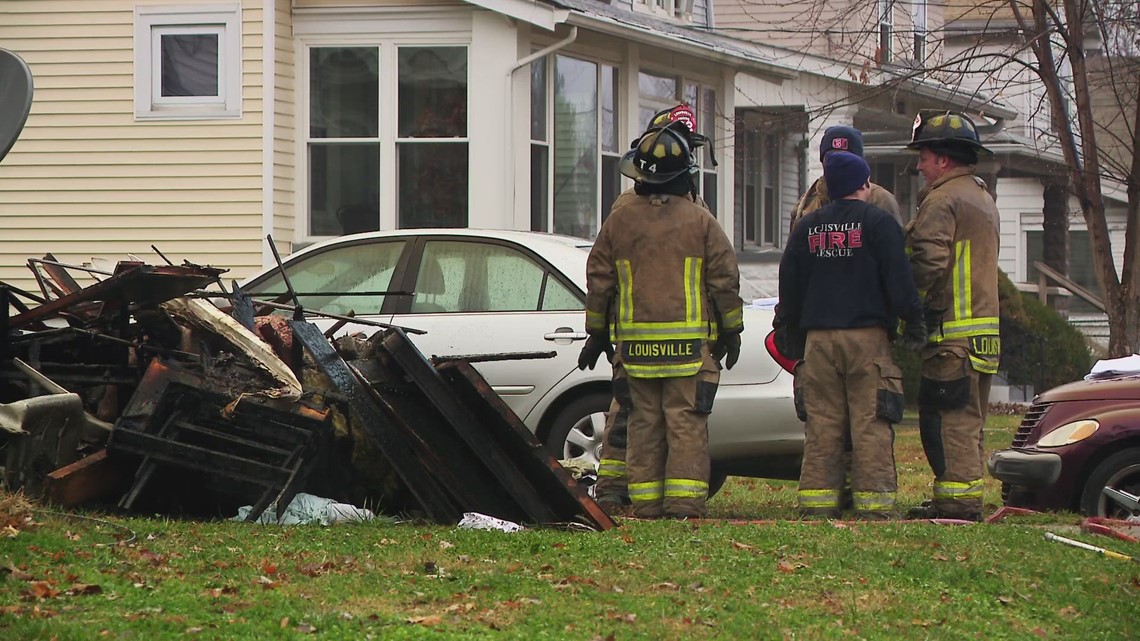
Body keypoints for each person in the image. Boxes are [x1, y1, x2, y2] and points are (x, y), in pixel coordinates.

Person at [579, 111, 743, 520]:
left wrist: (597, 334)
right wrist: (732, 331)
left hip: (636, 351)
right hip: (687, 351)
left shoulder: (619, 220)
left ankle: (647, 504)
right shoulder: (701, 220)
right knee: (686, 426)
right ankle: (684, 505)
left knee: (643, 426)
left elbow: (599, 280)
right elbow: (725, 279)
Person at [775, 150, 926, 520]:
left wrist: (788, 329)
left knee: (822, 425)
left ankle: (817, 505)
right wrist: (915, 322)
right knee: (870, 423)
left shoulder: (807, 228)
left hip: (819, 342)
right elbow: (900, 282)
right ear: (864, 185)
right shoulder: (879, 224)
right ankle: (874, 507)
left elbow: (789, 284)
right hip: (867, 339)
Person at [903, 110, 1001, 522]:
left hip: (953, 336)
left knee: (948, 422)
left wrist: (911, 308)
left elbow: (929, 260)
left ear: (942, 159)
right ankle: (964, 498)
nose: (920, 165)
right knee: (970, 422)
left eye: (923, 156)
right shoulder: (981, 196)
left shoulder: (943, 199)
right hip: (983, 335)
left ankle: (958, 504)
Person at [789, 125, 902, 237]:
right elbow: (794, 251)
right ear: (822, 161)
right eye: (831, 157)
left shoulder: (880, 200)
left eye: (846, 157)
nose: (838, 162)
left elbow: (895, 247)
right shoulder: (807, 204)